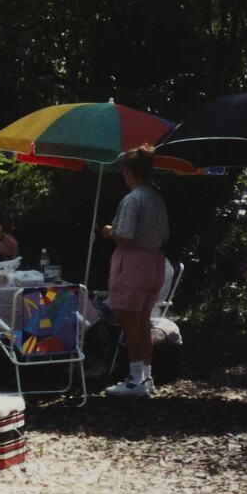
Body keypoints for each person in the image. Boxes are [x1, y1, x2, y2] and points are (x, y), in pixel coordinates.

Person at [102, 147, 170, 398]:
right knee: (143, 323)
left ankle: (135, 379)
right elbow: (165, 235)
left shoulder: (133, 199)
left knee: (130, 324)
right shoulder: (157, 197)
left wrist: (109, 231)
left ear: (129, 172)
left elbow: (126, 236)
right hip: (154, 261)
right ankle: (147, 377)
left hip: (134, 263)